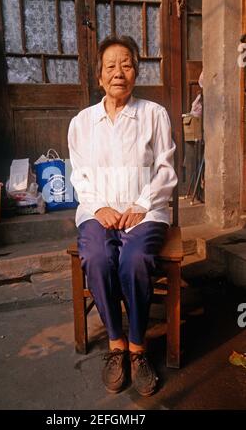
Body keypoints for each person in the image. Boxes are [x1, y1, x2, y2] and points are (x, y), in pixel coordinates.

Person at [68, 35, 177, 397]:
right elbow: (79, 173)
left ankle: (137, 347)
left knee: (134, 260)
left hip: (144, 211)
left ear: (136, 72)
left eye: (127, 64)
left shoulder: (153, 114)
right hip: (97, 210)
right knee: (98, 258)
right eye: (111, 66)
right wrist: (100, 207)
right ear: (99, 76)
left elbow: (165, 169)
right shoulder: (82, 123)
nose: (119, 72)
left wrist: (141, 205)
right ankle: (115, 344)